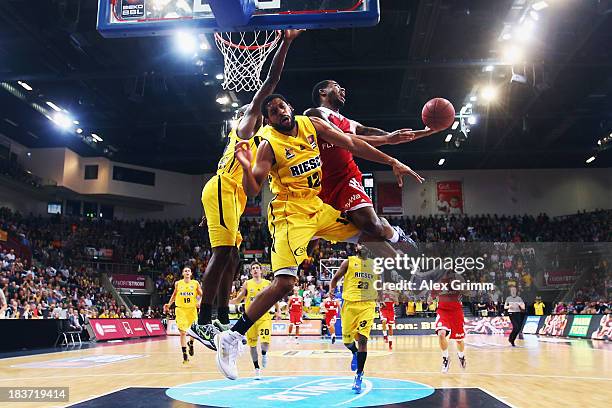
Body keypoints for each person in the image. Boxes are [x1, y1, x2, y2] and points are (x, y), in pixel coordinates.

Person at [214, 94, 424, 380]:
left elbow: (352, 143)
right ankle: (231, 338)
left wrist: (392, 160)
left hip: (317, 207)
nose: (278, 112)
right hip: (291, 216)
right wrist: (244, 164)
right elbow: (253, 190)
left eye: (281, 107)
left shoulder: (312, 124)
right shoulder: (267, 144)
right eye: (272, 112)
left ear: (290, 108)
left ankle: (405, 261)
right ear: (271, 119)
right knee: (285, 284)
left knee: (366, 234)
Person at [189, 29, 302, 350]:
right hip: (223, 190)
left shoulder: (265, 142)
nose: (261, 112)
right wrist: (285, 43)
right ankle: (202, 321)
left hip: (229, 197)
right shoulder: (245, 126)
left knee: (233, 257)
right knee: (222, 253)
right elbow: (270, 83)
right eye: (260, 110)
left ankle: (222, 315)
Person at [305, 80, 435, 245]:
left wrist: (425, 133)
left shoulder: (349, 123)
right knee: (308, 245)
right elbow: (347, 139)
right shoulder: (314, 114)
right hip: (319, 186)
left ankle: (396, 235)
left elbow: (387, 135)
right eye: (337, 86)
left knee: (371, 226)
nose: (343, 89)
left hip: (346, 179)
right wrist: (387, 139)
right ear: (322, 92)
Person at [329, 245, 378, 394]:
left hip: (367, 305)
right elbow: (335, 278)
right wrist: (332, 289)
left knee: (363, 339)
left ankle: (359, 375)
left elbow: (379, 284)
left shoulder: (375, 265)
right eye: (361, 243)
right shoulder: (348, 262)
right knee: (347, 342)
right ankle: (354, 353)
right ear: (356, 247)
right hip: (349, 305)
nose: (363, 245)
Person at [230, 261, 280, 379]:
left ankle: (264, 354)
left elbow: (274, 298)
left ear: (261, 270)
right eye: (253, 268)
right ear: (251, 271)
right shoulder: (247, 284)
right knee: (252, 346)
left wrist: (278, 311)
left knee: (265, 342)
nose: (255, 270)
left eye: (257, 268)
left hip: (264, 317)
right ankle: (257, 369)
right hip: (250, 319)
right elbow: (239, 298)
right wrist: (229, 301)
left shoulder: (268, 283)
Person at [164, 267, 202, 364]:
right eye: (185, 271)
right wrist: (169, 304)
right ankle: (185, 354)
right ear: (183, 273)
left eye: (189, 271)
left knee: (193, 331)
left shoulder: (195, 283)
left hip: (192, 309)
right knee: (183, 332)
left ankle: (191, 343)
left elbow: (202, 295)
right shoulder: (178, 283)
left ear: (191, 273)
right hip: (180, 309)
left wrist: (199, 302)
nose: (187, 272)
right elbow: (174, 295)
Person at [433, 271, 467, 373]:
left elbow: (467, 292)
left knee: (459, 340)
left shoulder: (458, 282)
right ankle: (446, 358)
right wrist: (430, 298)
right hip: (443, 311)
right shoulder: (438, 283)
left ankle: (461, 356)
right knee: (441, 334)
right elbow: (432, 296)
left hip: (456, 312)